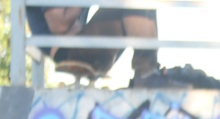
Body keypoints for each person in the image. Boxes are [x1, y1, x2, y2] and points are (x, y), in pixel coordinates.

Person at [25, 6, 161, 83]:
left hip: (86, 47)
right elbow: (59, 26)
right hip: (69, 51)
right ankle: (145, 74)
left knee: (145, 3)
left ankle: (149, 71)